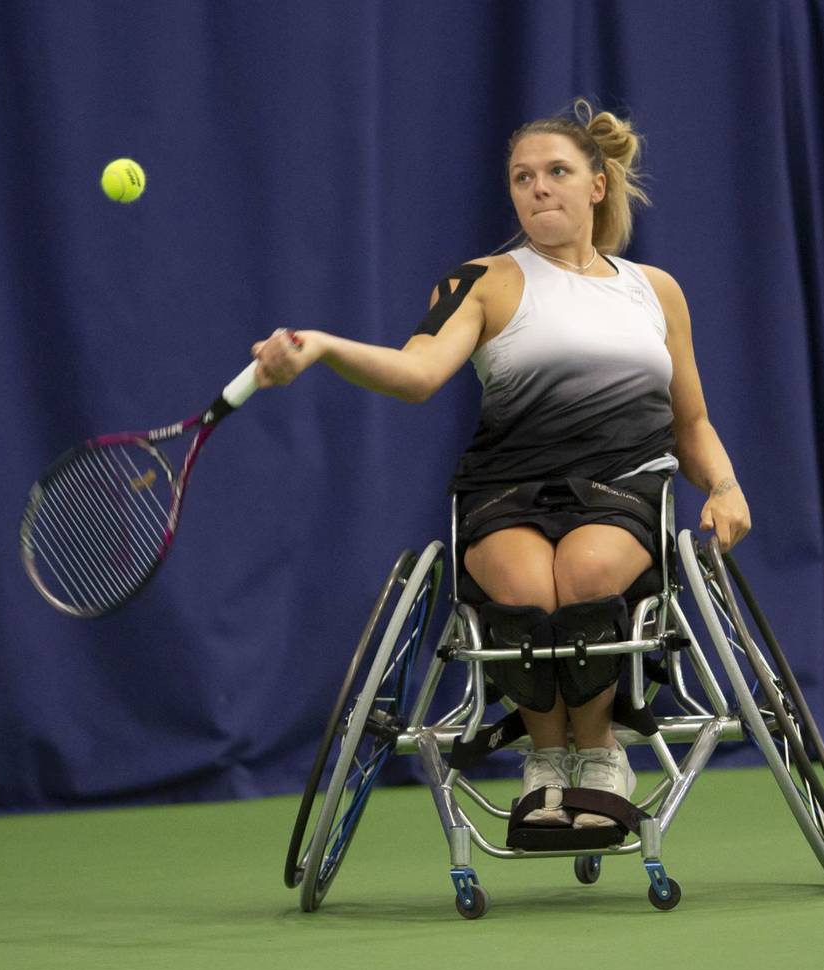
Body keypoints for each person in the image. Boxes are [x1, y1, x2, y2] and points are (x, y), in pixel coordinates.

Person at [253, 99, 751, 836]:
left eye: (556, 172)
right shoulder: (481, 281)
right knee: (522, 589)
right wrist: (325, 346)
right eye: (523, 177)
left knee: (582, 578)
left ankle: (602, 754)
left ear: (596, 186)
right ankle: (547, 764)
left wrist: (726, 485)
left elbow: (692, 423)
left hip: (621, 485)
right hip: (506, 489)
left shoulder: (656, 290)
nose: (538, 188)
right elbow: (418, 374)